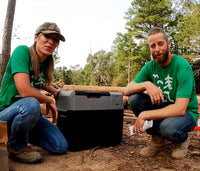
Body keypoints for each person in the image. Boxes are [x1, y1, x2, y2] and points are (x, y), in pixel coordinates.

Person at [124, 27, 199, 159]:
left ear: (168, 44)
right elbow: (127, 89)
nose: (157, 49)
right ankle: (158, 141)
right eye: (153, 46)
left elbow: (180, 108)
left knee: (167, 128)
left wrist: (145, 114)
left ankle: (181, 140)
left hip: (186, 113)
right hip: (165, 108)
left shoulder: (182, 66)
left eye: (160, 44)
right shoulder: (150, 66)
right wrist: (146, 84)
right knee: (135, 99)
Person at [0, 22, 68, 164]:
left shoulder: (44, 63)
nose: (51, 42)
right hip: (5, 113)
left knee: (59, 146)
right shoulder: (22, 52)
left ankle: (19, 133)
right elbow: (25, 91)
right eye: (47, 36)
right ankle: (16, 147)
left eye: (55, 40)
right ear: (36, 37)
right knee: (31, 103)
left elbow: (40, 82)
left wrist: (55, 92)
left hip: (24, 115)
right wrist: (48, 101)